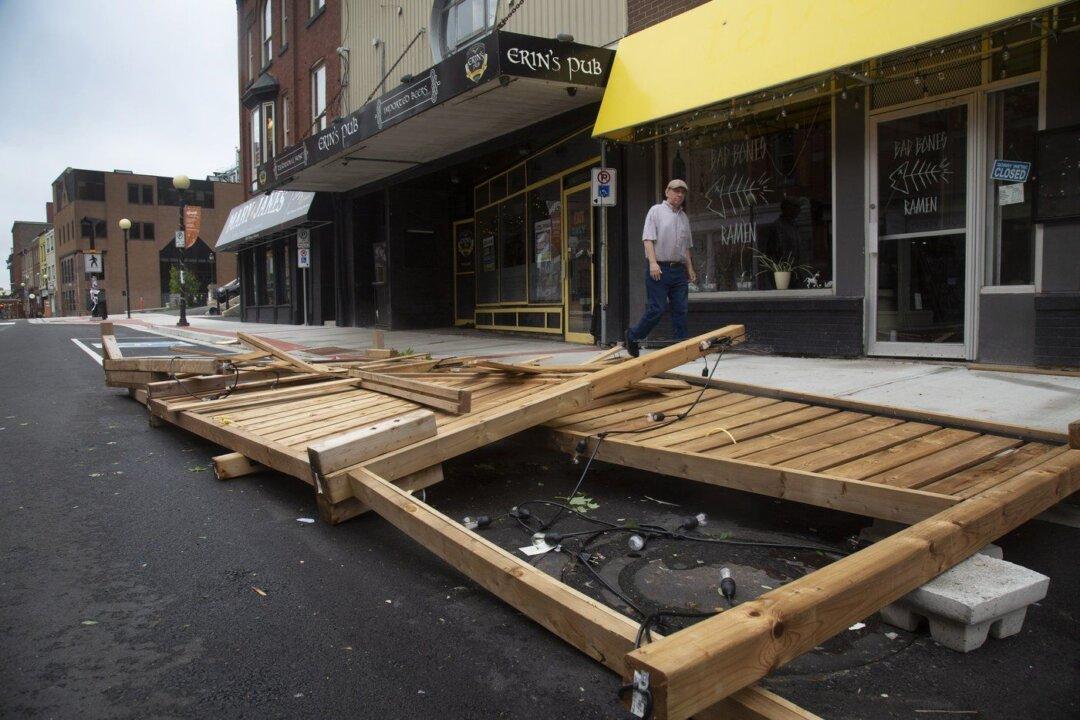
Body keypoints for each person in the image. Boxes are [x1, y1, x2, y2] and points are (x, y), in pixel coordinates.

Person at [625, 179, 696, 357]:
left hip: (679, 270)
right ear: (667, 192)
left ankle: (681, 348)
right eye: (676, 191)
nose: (679, 194)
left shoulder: (684, 217)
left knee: (681, 309)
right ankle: (633, 336)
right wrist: (652, 263)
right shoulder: (656, 211)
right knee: (657, 309)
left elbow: (686, 247)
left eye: (682, 192)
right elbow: (648, 239)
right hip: (659, 268)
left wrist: (690, 268)